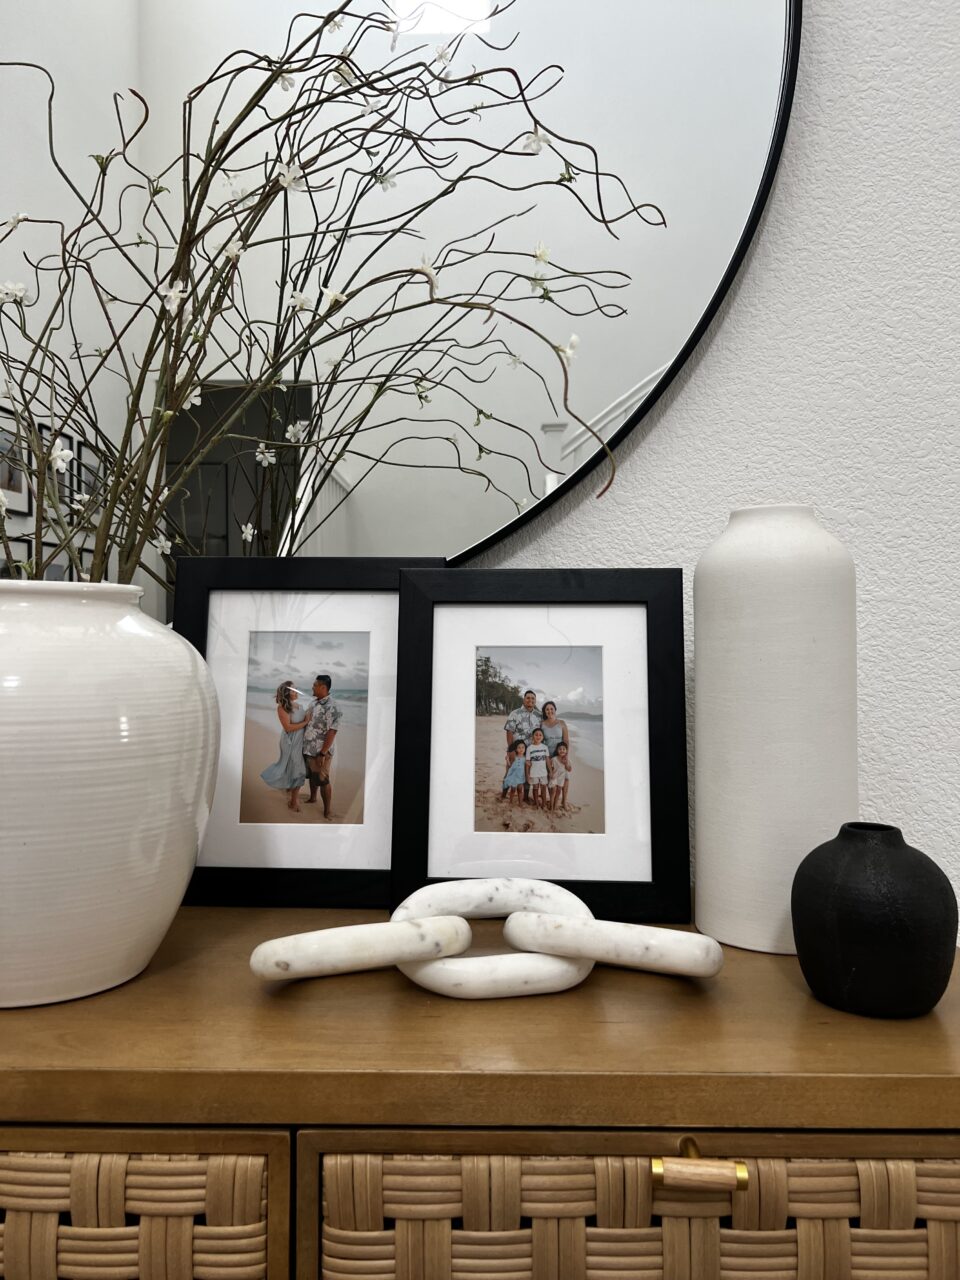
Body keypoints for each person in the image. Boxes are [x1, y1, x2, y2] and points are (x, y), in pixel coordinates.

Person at [260, 680, 311, 812]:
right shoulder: (282, 708)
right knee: (298, 769)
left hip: (300, 741)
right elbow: (288, 728)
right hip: (290, 742)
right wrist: (305, 722)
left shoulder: (299, 706)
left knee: (294, 767)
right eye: (294, 690)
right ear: (288, 693)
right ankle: (294, 801)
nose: (296, 691)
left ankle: (290, 789)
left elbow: (307, 720)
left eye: (296, 689)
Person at [302, 673, 342, 819]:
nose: (312, 687)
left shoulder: (333, 706)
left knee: (323, 779)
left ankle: (327, 810)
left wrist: (323, 753)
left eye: (314, 685)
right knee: (313, 776)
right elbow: (307, 721)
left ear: (323, 687)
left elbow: (332, 731)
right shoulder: (313, 703)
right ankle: (313, 798)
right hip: (308, 747)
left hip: (321, 751)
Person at [503, 689, 541, 803]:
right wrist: (511, 750)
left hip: (531, 751)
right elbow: (509, 731)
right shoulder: (515, 713)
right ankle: (503, 794)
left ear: (535, 701)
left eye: (533, 698)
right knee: (510, 771)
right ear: (524, 699)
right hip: (517, 750)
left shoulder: (539, 715)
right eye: (528, 698)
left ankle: (524, 797)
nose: (530, 700)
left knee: (527, 773)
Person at [525, 726, 550, 809]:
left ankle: (543, 803)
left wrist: (550, 771)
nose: (538, 736)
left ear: (542, 737)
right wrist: (527, 775)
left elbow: (547, 760)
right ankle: (536, 802)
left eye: (540, 735)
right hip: (534, 772)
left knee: (543, 788)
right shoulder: (529, 748)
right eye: (536, 735)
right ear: (533, 736)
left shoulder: (545, 747)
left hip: (543, 772)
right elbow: (527, 763)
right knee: (535, 788)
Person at [548, 739, 572, 810]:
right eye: (560, 749)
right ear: (557, 750)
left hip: (561, 779)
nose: (562, 750)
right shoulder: (554, 759)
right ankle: (551, 806)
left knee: (558, 792)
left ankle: (555, 805)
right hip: (554, 778)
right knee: (553, 792)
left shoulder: (567, 760)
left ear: (566, 751)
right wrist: (550, 774)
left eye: (564, 749)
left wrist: (566, 763)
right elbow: (551, 768)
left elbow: (569, 769)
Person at [501, 739, 527, 805]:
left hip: (521, 777)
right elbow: (510, 766)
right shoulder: (515, 757)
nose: (521, 749)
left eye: (523, 747)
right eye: (519, 748)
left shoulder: (526, 758)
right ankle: (511, 802)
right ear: (516, 749)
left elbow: (527, 768)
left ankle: (520, 803)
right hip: (514, 777)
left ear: (525, 748)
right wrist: (507, 760)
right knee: (513, 790)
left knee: (520, 790)